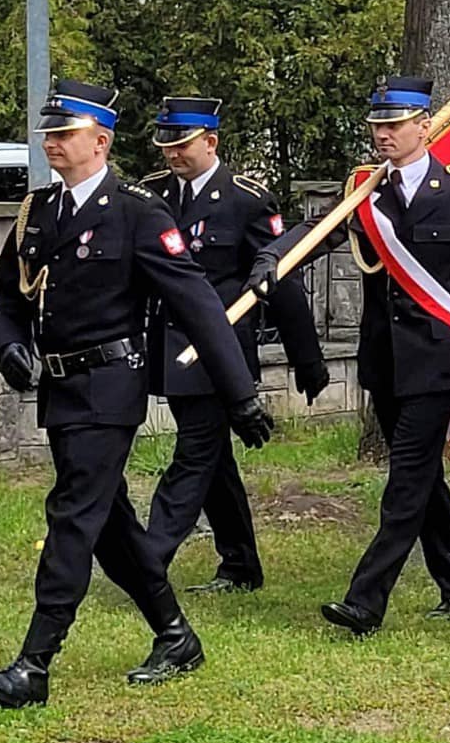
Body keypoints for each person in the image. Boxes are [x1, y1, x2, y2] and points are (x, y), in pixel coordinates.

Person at [0, 80, 273, 710]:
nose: (52, 144)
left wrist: (241, 394)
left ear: (101, 141)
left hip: (111, 389)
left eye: (65, 134)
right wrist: (8, 346)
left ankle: (34, 664)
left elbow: (198, 305)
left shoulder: (137, 211)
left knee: (72, 515)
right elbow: (8, 294)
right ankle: (176, 635)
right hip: (59, 390)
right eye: (48, 135)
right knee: (109, 522)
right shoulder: (39, 210)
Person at [246, 74, 450, 635]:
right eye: (377, 126)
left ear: (424, 126)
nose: (383, 135)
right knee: (423, 476)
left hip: (438, 355)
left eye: (394, 125)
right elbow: (318, 231)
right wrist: (273, 259)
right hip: (383, 359)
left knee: (405, 481)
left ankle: (366, 600)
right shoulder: (365, 190)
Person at [141, 96, 328, 592]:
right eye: (167, 146)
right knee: (213, 458)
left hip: (221, 349)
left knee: (196, 452)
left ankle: (147, 558)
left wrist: (306, 357)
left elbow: (279, 277)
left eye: (183, 145)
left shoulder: (245, 198)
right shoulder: (152, 195)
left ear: (211, 141)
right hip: (170, 343)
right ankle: (241, 563)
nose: (173, 155)